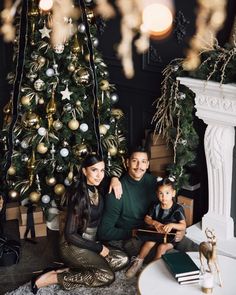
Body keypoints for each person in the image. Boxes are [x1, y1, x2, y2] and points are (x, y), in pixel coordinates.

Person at [31, 154, 129, 294]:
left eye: (102, 170)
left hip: (89, 243)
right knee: (107, 276)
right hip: (73, 245)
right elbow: (70, 235)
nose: (99, 175)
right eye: (94, 170)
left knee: (122, 259)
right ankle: (53, 278)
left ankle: (73, 268)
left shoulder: (96, 186)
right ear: (84, 171)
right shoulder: (79, 196)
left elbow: (113, 174)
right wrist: (99, 248)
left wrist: (114, 179)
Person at [98, 146, 198, 258]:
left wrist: (181, 230)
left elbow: (168, 208)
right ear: (127, 162)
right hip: (134, 237)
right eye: (135, 161)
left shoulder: (154, 182)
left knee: (192, 247)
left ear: (147, 164)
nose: (139, 166)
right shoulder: (116, 191)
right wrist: (133, 232)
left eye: (143, 162)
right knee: (171, 257)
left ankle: (212, 260)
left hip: (156, 229)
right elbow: (104, 231)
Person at [125, 176, 186, 278]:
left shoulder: (177, 209)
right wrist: (154, 222)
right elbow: (147, 219)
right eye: (161, 193)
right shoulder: (155, 206)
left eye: (167, 193)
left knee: (161, 247)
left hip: (171, 237)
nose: (164, 197)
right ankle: (138, 262)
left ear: (173, 193)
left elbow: (183, 225)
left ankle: (151, 269)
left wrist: (171, 225)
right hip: (157, 233)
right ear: (157, 194)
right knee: (148, 243)